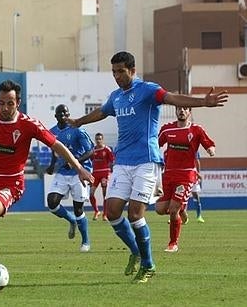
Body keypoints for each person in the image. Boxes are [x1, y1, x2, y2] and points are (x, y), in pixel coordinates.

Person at [66, 51, 227, 283]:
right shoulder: (117, 97)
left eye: (121, 71)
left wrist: (203, 102)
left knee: (134, 214)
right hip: (122, 162)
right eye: (113, 72)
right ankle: (135, 251)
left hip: (146, 161)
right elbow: (102, 112)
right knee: (111, 212)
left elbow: (172, 98)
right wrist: (79, 121)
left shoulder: (148, 90)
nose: (117, 76)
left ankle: (148, 264)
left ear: (132, 70)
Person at [0, 80, 94, 286]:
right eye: (2, 103)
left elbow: (56, 145)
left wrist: (79, 168)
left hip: (11, 183)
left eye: (10, 103)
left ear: (18, 102)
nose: (5, 108)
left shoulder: (29, 124)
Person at [155, 107, 215, 252]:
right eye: (179, 108)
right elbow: (156, 144)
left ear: (189, 112)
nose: (181, 111)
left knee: (173, 209)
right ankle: (182, 210)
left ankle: (173, 243)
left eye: (185, 109)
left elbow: (209, 143)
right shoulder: (167, 129)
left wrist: (210, 149)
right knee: (160, 209)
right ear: (176, 111)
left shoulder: (196, 130)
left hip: (186, 175)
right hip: (168, 174)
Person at [45, 104, 94, 253]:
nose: (64, 117)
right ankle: (71, 219)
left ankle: (85, 241)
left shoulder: (77, 129)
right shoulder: (52, 132)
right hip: (62, 172)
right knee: (52, 203)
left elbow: (91, 150)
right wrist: (52, 165)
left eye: (66, 114)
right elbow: (54, 151)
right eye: (61, 114)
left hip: (79, 173)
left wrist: (75, 162)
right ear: (56, 116)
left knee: (78, 209)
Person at [89, 133, 115, 221]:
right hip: (95, 174)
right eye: (97, 139)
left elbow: (112, 161)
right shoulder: (93, 150)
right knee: (91, 193)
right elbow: (90, 161)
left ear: (102, 139)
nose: (98, 141)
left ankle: (105, 214)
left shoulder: (107, 149)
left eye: (100, 139)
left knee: (105, 194)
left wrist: (110, 173)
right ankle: (96, 211)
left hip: (104, 173)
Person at [190, 153, 205, 223]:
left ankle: (199, 216)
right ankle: (177, 216)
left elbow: (197, 161)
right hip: (183, 174)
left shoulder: (194, 149)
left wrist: (198, 174)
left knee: (195, 195)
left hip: (192, 174)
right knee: (180, 196)